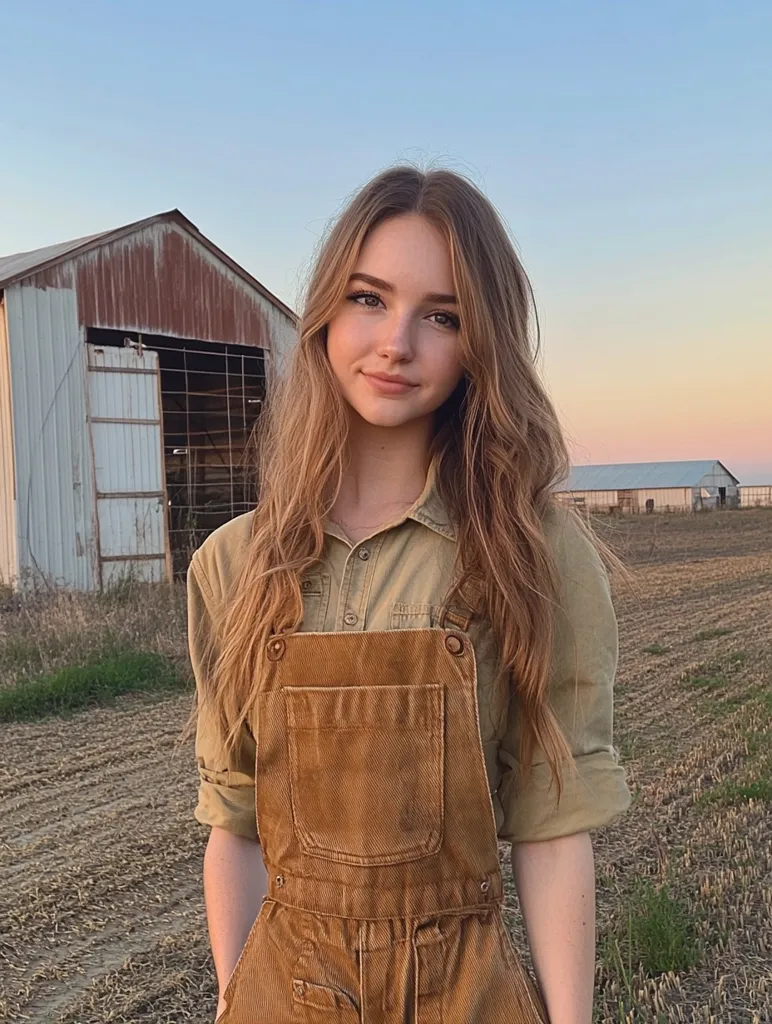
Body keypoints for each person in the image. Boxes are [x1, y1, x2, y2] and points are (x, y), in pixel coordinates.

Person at [186, 165, 632, 1024]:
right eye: (368, 298)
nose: (397, 341)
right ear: (323, 314)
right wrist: (229, 999)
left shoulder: (533, 554)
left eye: (443, 315)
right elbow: (234, 825)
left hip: (469, 997)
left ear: (481, 344)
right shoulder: (231, 566)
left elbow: (552, 824)